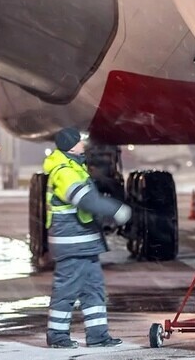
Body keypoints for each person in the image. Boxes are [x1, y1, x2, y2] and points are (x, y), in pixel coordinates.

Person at [44, 127, 132, 349]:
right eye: (80, 141)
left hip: (83, 242)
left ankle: (98, 336)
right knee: (66, 291)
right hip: (71, 243)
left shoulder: (75, 167)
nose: (84, 144)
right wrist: (115, 209)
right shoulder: (64, 171)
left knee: (93, 289)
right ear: (72, 146)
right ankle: (57, 336)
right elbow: (85, 200)